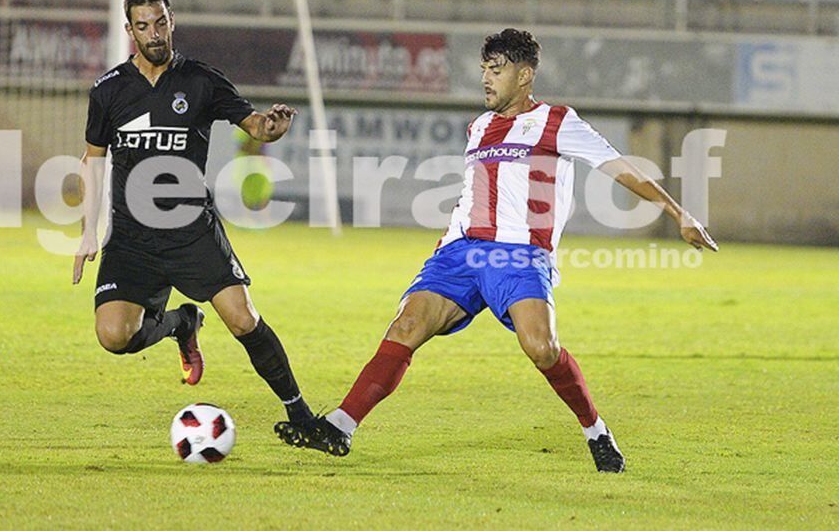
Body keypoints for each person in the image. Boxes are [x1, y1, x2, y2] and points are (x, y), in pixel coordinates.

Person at [276, 29, 719, 472]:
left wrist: (677, 212)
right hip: (463, 251)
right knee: (407, 325)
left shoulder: (558, 122)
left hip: (519, 255)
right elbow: (473, 191)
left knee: (541, 348)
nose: (486, 79)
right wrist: (449, 241)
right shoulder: (480, 127)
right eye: (485, 69)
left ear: (525, 76)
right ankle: (339, 426)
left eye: (498, 70)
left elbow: (621, 168)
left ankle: (595, 430)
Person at [72, 0, 319, 436]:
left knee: (245, 320)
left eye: (161, 22)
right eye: (143, 26)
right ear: (129, 29)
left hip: (191, 232)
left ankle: (301, 414)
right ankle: (181, 323)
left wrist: (273, 126)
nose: (155, 34)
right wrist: (89, 231)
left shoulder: (201, 80)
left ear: (172, 21)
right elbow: (93, 159)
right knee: (112, 335)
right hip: (132, 238)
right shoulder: (108, 90)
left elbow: (257, 126)